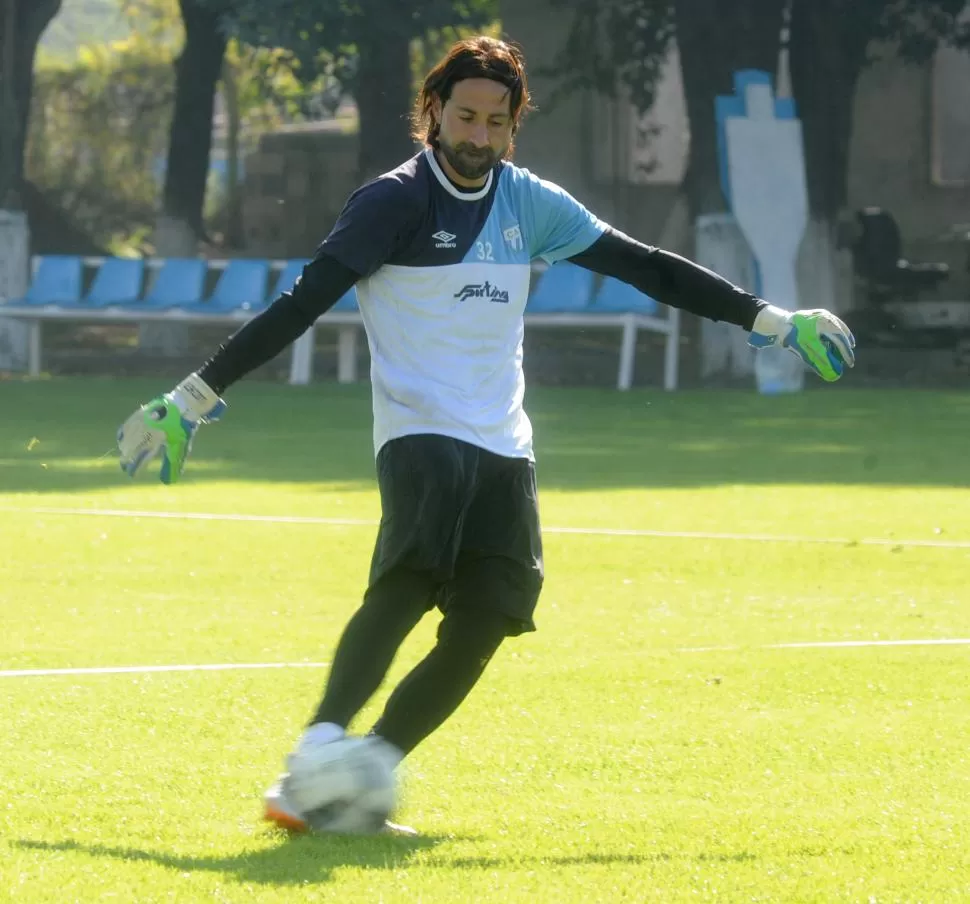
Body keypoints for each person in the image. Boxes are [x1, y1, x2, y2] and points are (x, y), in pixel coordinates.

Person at [116, 35, 855, 834]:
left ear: (513, 127)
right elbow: (303, 302)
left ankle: (355, 778)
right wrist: (193, 396)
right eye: (463, 117)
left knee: (491, 616)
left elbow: (645, 265)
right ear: (432, 112)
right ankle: (316, 751)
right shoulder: (393, 202)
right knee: (407, 581)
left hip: (505, 442)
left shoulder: (529, 203)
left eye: (494, 123)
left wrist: (773, 320)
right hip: (420, 432)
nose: (476, 137)